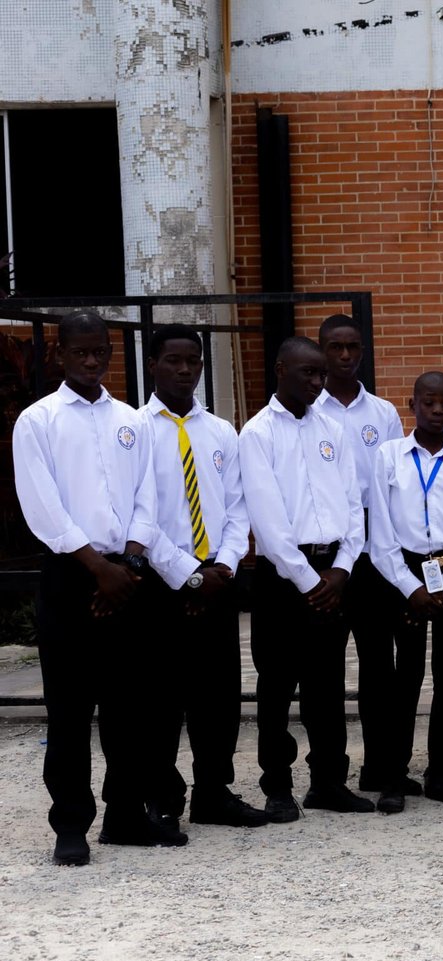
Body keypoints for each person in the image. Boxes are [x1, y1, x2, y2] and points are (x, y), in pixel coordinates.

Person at [13, 311, 172, 864]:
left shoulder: (131, 420)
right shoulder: (39, 421)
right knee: (70, 708)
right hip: (71, 576)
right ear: (59, 354)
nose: (90, 361)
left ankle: (124, 814)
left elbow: (148, 496)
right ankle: (71, 824)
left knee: (129, 705)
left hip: (127, 575)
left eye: (99, 351)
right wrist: (96, 567)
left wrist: (128, 563)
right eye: (79, 352)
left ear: (109, 352)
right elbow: (43, 505)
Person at [139, 325, 267, 831]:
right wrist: (186, 575)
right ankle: (161, 796)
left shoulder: (220, 432)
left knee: (219, 695)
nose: (185, 369)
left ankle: (213, 792)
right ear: (152, 364)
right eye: (174, 360)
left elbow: (237, 509)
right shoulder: (136, 430)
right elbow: (139, 515)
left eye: (193, 360)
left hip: (217, 577)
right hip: (163, 579)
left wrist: (223, 568)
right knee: (162, 696)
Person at [240, 336, 370, 821]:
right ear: (280, 370)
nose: (318, 382)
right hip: (283, 579)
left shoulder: (332, 428)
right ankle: (277, 785)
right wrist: (308, 581)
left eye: (321, 374)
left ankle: (328, 781)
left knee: (327, 683)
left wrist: (341, 569)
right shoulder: (257, 433)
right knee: (276, 686)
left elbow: (353, 506)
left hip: (333, 573)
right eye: (307, 373)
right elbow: (269, 524)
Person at [367, 373, 443, 812]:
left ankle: (441, 771)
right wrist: (410, 587)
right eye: (429, 403)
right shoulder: (388, 456)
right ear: (412, 405)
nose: (438, 411)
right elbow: (380, 533)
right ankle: (393, 775)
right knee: (404, 678)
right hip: (403, 574)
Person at [315, 313, 407, 798]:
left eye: (353, 347)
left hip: (374, 551)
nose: (346, 355)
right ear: (322, 351)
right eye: (336, 347)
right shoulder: (311, 410)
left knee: (379, 667)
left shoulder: (383, 412)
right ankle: (328, 776)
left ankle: (382, 769)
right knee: (327, 669)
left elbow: (394, 483)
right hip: (329, 555)